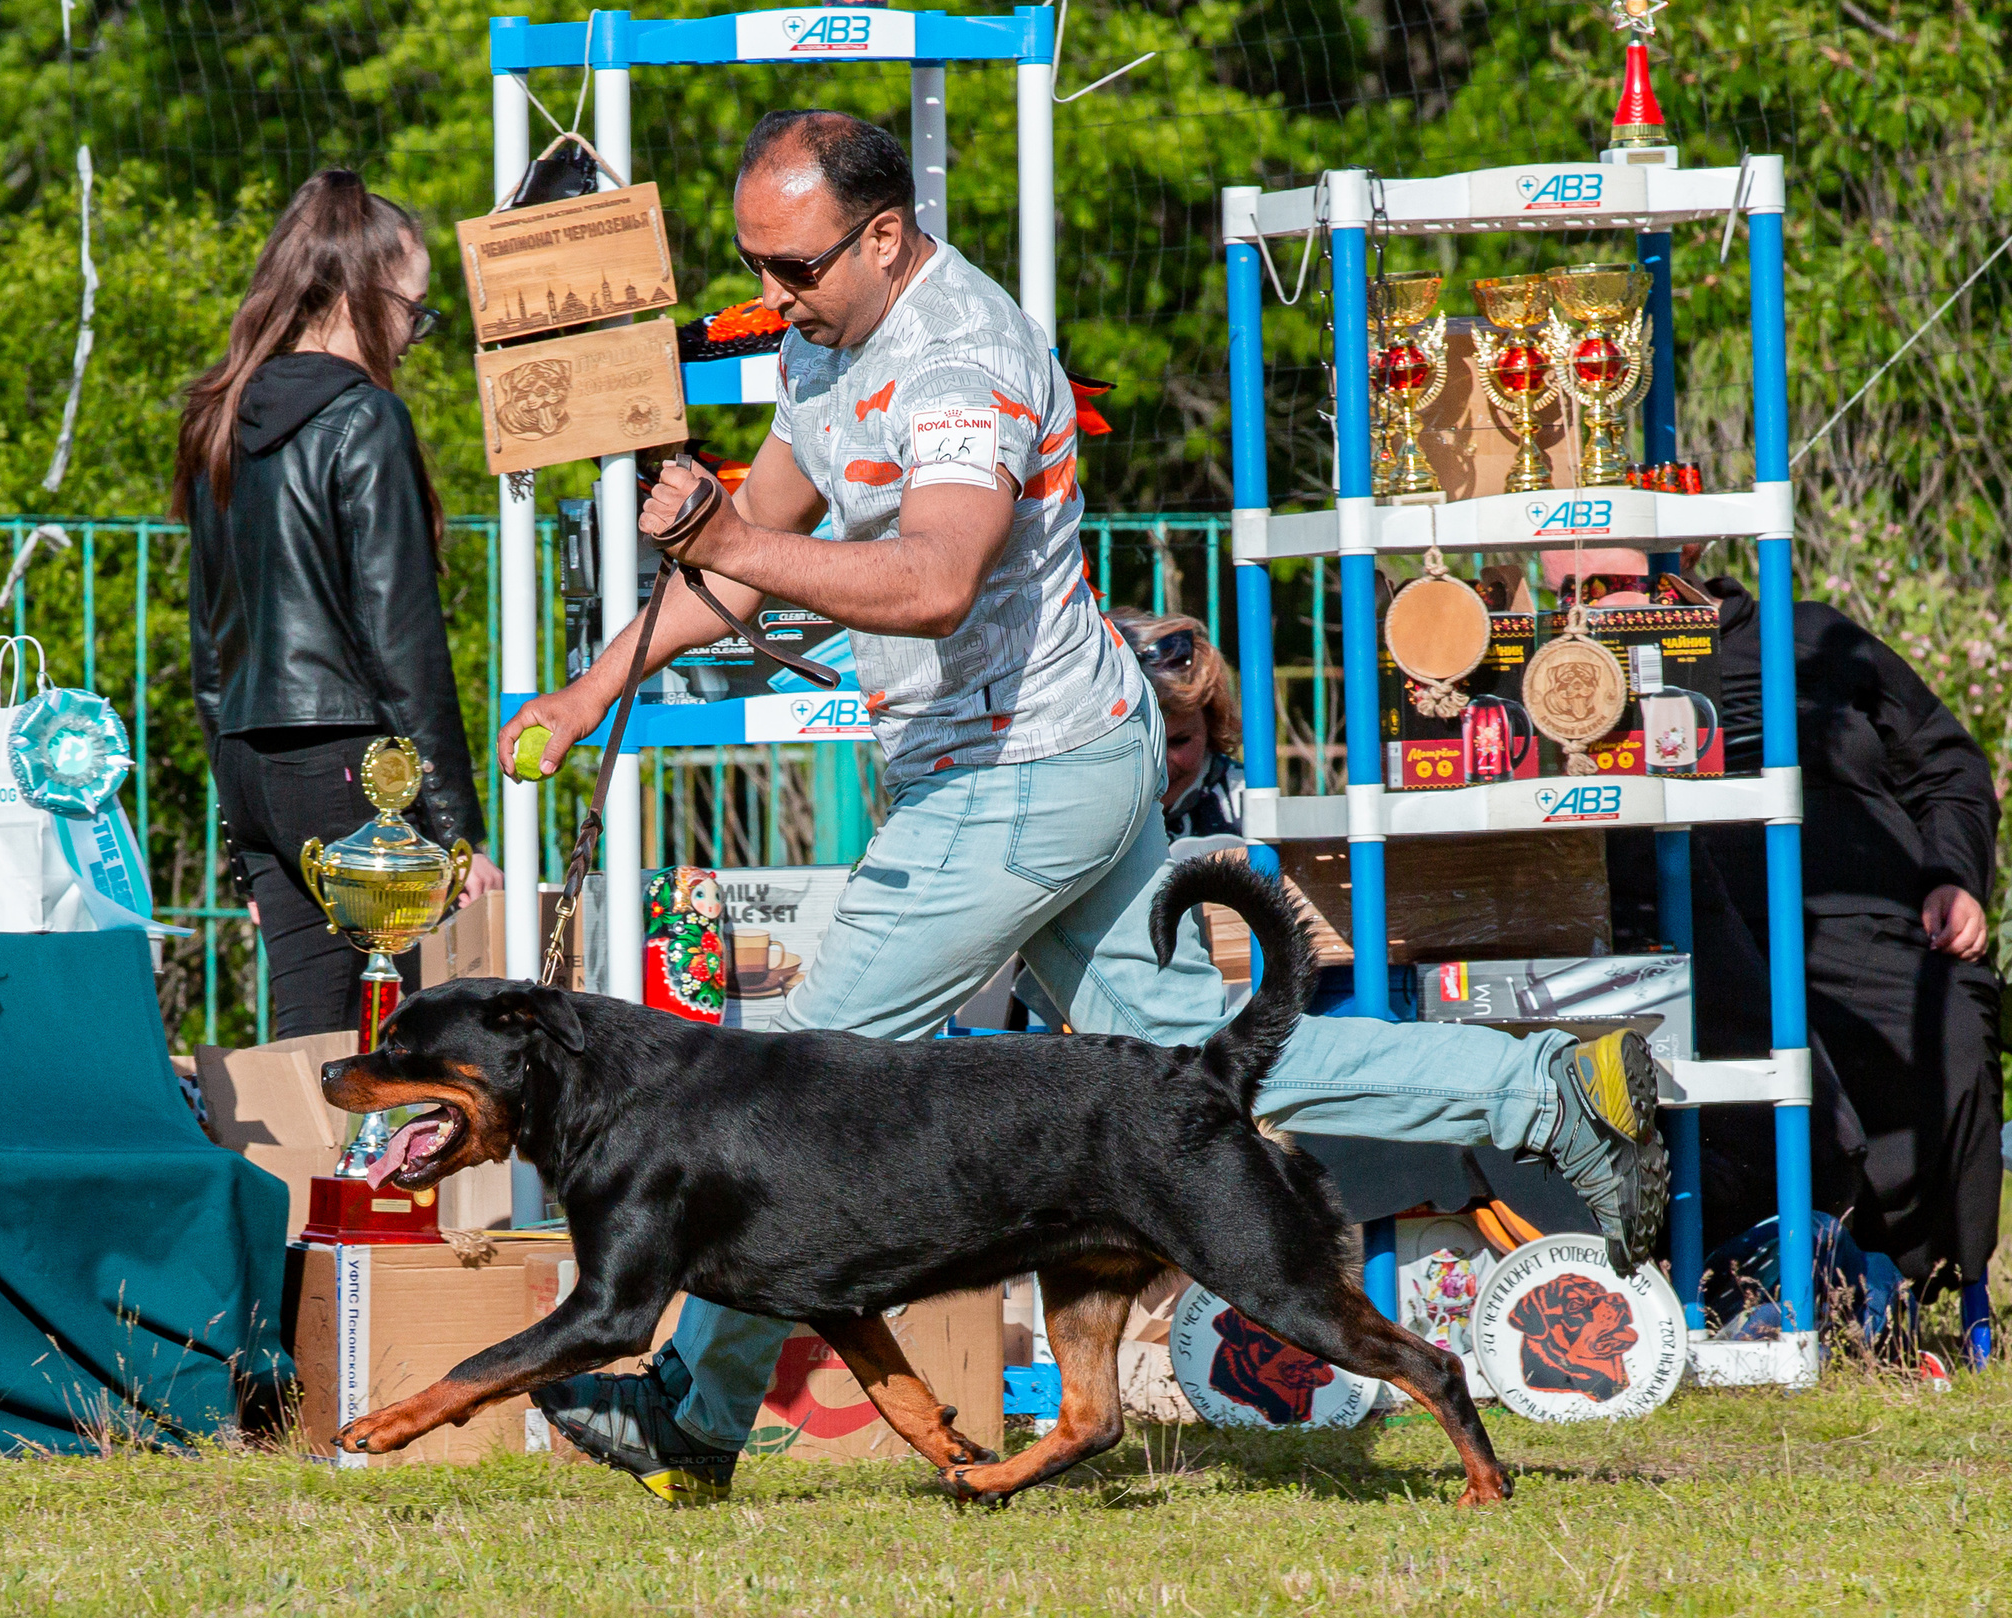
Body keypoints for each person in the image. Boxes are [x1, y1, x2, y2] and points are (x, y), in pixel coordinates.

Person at [499, 110, 1666, 1504]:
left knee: (797, 1088)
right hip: (1047, 759)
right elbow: (735, 567)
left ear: (883, 235)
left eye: (794, 268)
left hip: (1020, 781)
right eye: (755, 267)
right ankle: (1546, 1085)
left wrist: (738, 539)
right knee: (1185, 1070)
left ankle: (692, 1413)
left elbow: (931, 575)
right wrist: (591, 688)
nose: (772, 298)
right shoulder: (828, 336)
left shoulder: (959, 362)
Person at [1580, 545, 2001, 1361]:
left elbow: (1947, 764)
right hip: (1688, 943)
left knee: (1945, 1025)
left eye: (1613, 572)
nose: (1593, 589)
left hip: (1868, 931)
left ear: (1686, 544)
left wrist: (1955, 878)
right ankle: (1770, 1276)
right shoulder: (1557, 674)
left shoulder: (1811, 639)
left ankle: (1903, 1276)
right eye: (1573, 578)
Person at [178, 169, 502, 1039]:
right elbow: (404, 647)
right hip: (351, 770)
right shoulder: (366, 421)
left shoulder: (220, 417)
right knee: (407, 1045)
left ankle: (296, 1182)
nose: (413, 331)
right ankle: (381, 1183)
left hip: (252, 766)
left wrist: (245, 847)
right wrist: (458, 834)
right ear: (363, 291)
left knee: (313, 1035)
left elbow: (211, 649)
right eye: (414, 307)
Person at [1109, 610, 1242, 838]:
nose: (1159, 767)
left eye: (1179, 741)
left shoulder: (1245, 803)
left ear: (1211, 725)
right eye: (1139, 744)